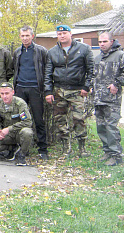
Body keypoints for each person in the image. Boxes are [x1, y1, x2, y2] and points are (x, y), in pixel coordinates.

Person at [44, 25, 94, 156]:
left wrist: (86, 87)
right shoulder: (52, 52)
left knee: (78, 119)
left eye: (64, 33)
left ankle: (82, 148)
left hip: (77, 90)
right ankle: (66, 147)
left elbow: (91, 70)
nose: (62, 36)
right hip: (59, 91)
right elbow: (48, 73)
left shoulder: (84, 49)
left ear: (70, 34)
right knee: (60, 120)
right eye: (59, 34)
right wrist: (48, 92)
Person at [92, 32, 124, 166]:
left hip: (112, 100)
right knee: (101, 127)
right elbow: (94, 76)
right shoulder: (98, 58)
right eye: (100, 42)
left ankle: (116, 155)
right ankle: (107, 152)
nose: (102, 44)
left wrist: (117, 83)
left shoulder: (121, 55)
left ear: (111, 41)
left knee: (111, 128)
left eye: (104, 41)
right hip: (99, 99)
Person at [12, 26, 49, 160]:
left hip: (35, 89)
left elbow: (47, 70)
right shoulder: (17, 52)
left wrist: (46, 88)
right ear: (20, 37)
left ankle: (43, 149)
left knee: (38, 119)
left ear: (32, 36)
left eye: (27, 35)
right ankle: (20, 148)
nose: (25, 38)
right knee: (19, 118)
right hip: (20, 89)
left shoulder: (41, 51)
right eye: (22, 36)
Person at [0, 82, 34, 166]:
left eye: (7, 93)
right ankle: (12, 148)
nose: (5, 96)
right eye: (2, 93)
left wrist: (9, 129)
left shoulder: (20, 103)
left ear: (12, 92)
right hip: (7, 134)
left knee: (27, 132)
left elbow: (27, 122)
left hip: (19, 132)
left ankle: (22, 154)